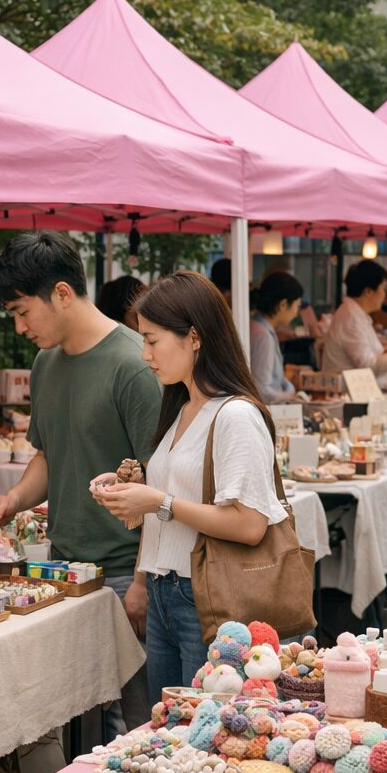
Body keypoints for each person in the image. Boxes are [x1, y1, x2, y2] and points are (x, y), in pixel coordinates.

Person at [0, 232, 160, 728]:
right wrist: (13, 498)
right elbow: (49, 455)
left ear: (61, 293)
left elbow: (163, 488)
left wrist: (143, 580)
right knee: (76, 717)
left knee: (136, 725)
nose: (18, 327)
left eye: (21, 311)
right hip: (63, 571)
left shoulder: (134, 365)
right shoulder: (45, 364)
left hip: (124, 573)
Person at [92, 271, 286, 701]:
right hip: (168, 591)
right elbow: (179, 499)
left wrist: (158, 500)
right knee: (171, 730)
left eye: (152, 339)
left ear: (194, 337)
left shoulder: (234, 415)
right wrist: (138, 488)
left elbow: (249, 523)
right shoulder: (181, 407)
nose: (144, 354)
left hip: (206, 598)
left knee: (203, 732)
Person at [250, 270, 303, 403]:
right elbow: (262, 391)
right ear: (283, 304)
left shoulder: (255, 326)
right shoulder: (263, 336)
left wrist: (288, 387)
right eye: (297, 305)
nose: (297, 313)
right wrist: (289, 396)